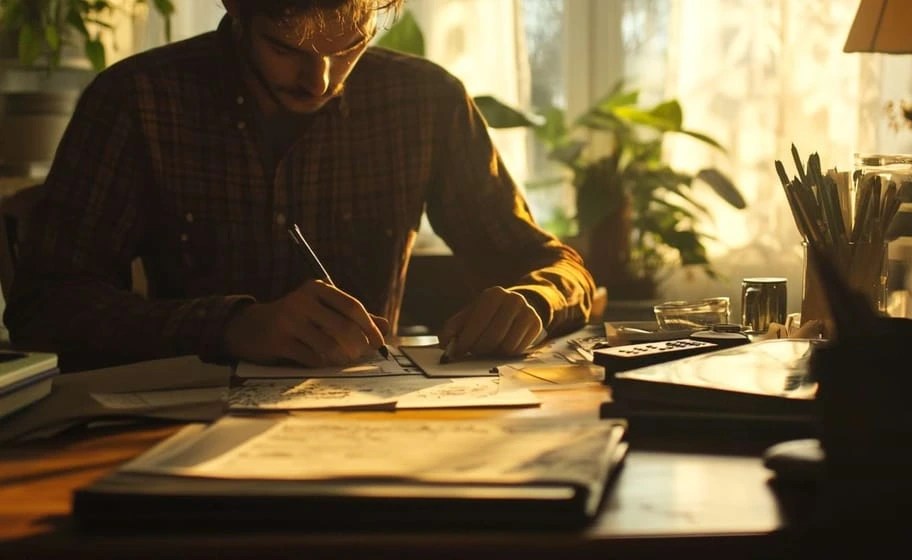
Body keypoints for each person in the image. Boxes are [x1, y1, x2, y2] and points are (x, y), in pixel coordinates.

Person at [3, 0, 596, 372]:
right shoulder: (138, 100)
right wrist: (233, 326)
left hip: (377, 426)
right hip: (180, 433)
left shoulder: (425, 101)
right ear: (236, 8)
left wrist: (536, 302)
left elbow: (561, 269)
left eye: (350, 48)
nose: (320, 81)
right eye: (288, 49)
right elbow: (45, 307)